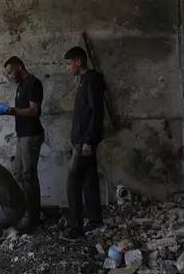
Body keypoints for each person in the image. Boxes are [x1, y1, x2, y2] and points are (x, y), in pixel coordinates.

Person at [0, 56, 44, 230]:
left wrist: (9, 110)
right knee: (18, 173)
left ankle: (33, 217)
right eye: (7, 74)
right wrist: (5, 112)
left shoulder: (33, 83)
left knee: (29, 176)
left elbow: (34, 111)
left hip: (31, 135)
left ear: (20, 66)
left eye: (11, 71)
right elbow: (21, 111)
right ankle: (24, 211)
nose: (10, 76)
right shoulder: (21, 85)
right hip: (22, 135)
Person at [60, 46, 105, 242]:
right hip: (81, 141)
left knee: (73, 182)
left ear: (79, 61)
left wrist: (89, 140)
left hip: (84, 142)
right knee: (89, 181)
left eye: (69, 64)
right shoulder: (84, 80)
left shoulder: (92, 79)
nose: (68, 67)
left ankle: (76, 228)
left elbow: (97, 112)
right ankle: (95, 222)